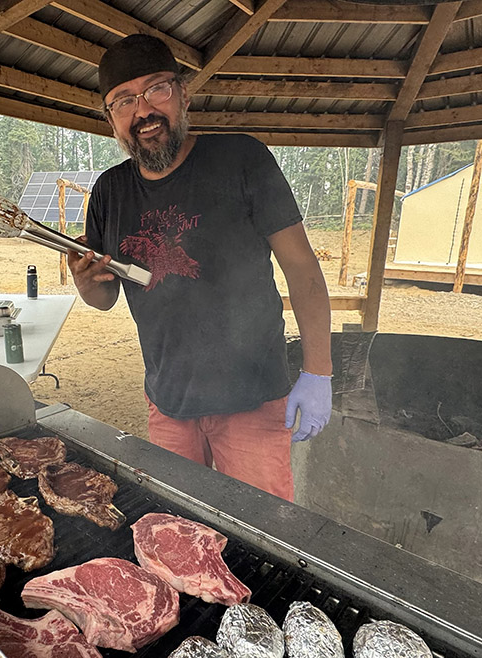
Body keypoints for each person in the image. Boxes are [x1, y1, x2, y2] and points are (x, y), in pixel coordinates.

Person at [67, 34, 333, 501]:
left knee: (262, 538)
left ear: (183, 94)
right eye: (124, 101)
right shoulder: (109, 192)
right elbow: (105, 296)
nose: (143, 111)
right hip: (168, 403)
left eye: (157, 90)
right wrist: (85, 281)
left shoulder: (242, 159)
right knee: (178, 533)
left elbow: (303, 270)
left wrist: (319, 372)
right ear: (111, 120)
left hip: (251, 399)